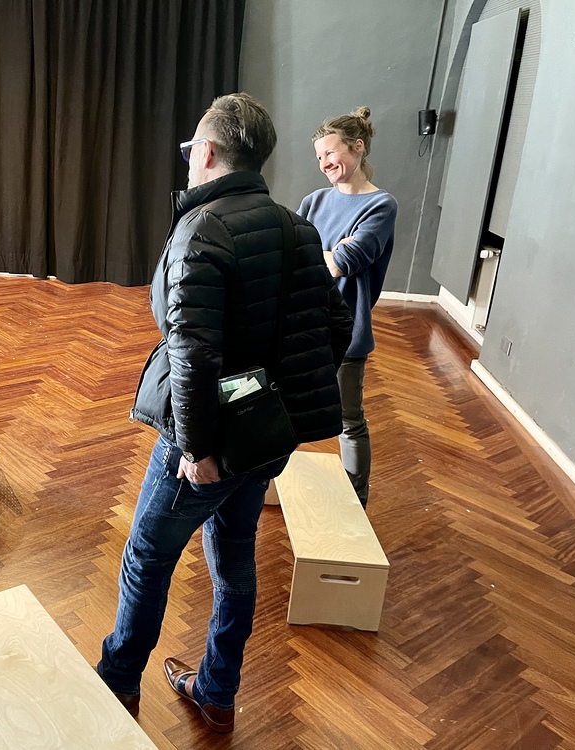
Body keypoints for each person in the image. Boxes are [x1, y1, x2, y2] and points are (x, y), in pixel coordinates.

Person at [96, 93, 353, 734]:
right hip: (267, 435)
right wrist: (277, 399)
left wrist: (196, 448)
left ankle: (116, 684)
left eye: (191, 149)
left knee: (146, 556)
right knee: (234, 554)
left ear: (206, 152)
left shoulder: (203, 228)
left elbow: (193, 352)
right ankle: (216, 692)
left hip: (208, 439)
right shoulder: (297, 228)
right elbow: (338, 328)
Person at [298, 106, 397, 509]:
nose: (324, 163)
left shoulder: (381, 206)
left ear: (358, 147)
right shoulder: (313, 201)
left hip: (345, 329)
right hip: (301, 323)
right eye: (319, 156)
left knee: (348, 421)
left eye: (330, 153)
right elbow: (295, 256)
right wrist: (328, 254)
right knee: (285, 409)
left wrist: (324, 255)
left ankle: (356, 502)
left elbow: (344, 262)